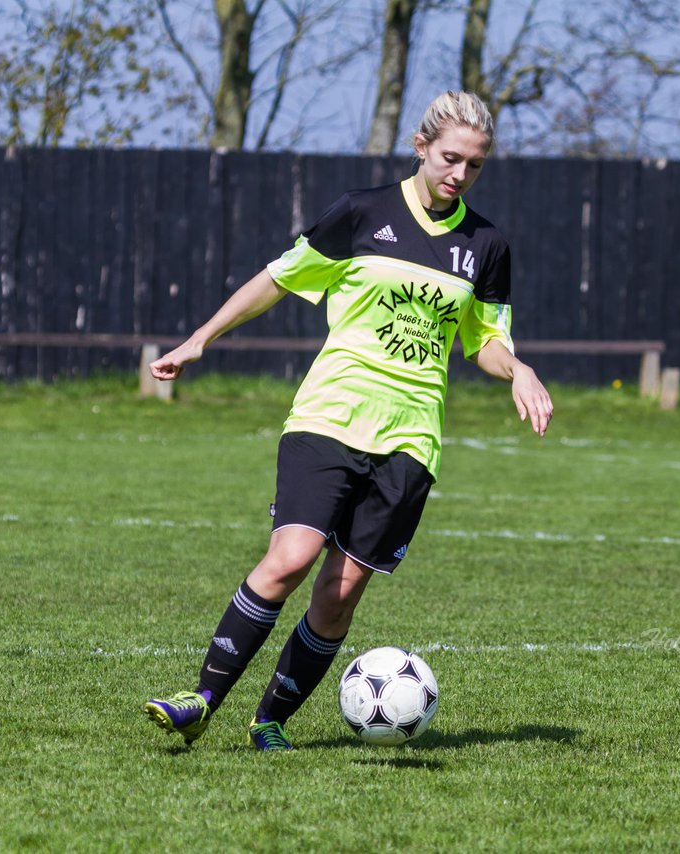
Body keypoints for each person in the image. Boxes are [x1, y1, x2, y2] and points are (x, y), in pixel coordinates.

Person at [142, 91, 553, 750]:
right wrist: (201, 337)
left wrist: (520, 369)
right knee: (290, 558)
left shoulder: (487, 245)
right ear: (420, 147)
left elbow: (487, 341)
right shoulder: (363, 213)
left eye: (474, 165)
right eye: (450, 158)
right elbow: (278, 278)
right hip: (331, 412)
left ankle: (269, 720)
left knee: (340, 594)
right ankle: (201, 698)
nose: (459, 174)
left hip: (411, 438)